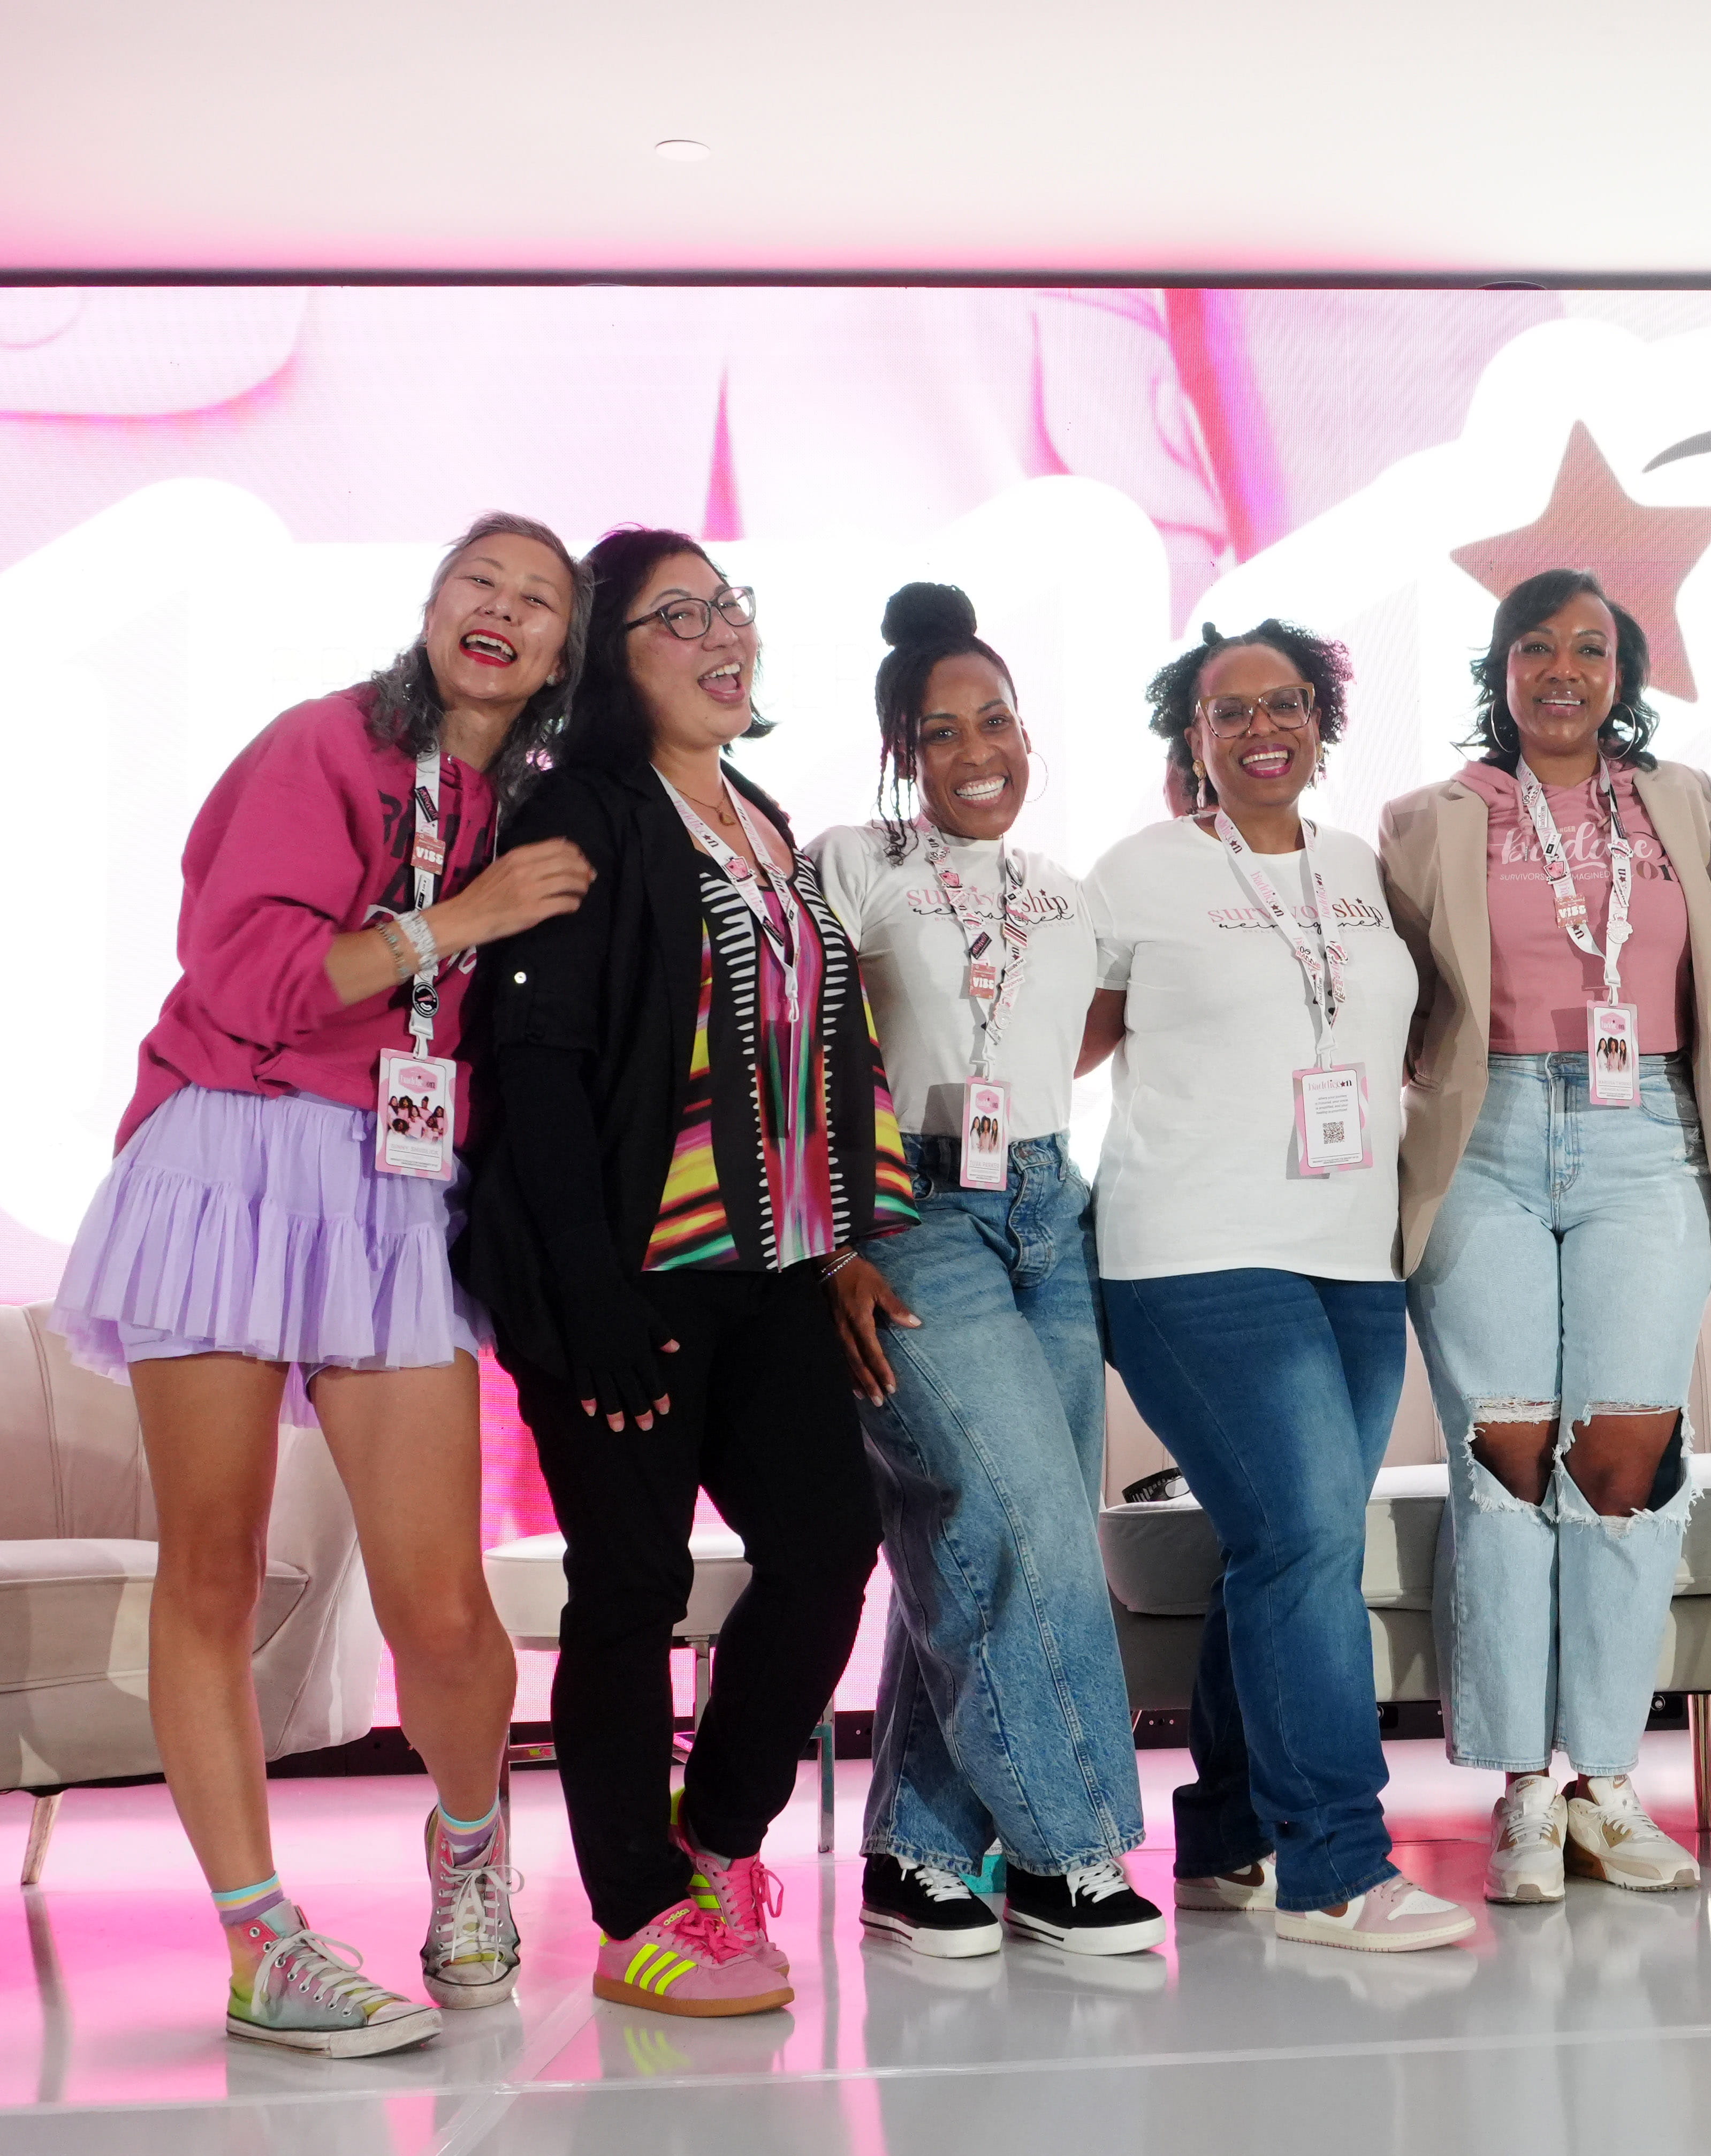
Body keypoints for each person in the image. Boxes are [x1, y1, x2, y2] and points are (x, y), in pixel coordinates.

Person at [54, 514, 590, 2056]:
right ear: (430, 607)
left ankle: (472, 1846)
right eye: (478, 581)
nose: (500, 610)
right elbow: (250, 980)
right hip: (232, 1155)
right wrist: (460, 920)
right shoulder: (323, 745)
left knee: (442, 1601)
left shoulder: (546, 805)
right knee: (210, 1572)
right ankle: (259, 1942)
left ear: (561, 652)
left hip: (395, 1181)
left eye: (537, 600)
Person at [459, 528, 921, 2016]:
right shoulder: (584, 812)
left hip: (773, 1270)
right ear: (611, 658)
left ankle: (716, 1843)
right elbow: (530, 1069)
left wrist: (846, 1235)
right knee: (633, 1586)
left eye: (732, 607)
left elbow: (815, 1051)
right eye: (679, 616)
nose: (723, 634)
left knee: (828, 1547)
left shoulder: (759, 813)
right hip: (631, 1285)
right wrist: (584, 1304)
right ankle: (635, 1911)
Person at [1084, 618, 1476, 1952]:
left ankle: (1233, 1834)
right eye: (1231, 707)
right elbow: (1060, 1046)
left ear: (1323, 721)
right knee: (1309, 1538)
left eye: (1290, 701)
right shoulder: (1137, 877)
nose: (1265, 725)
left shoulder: (1361, 869)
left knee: (1282, 1545)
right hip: (1193, 1258)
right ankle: (1336, 1864)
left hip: (1351, 1259)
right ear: (1190, 735)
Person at [807, 582, 1163, 1961]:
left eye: (999, 720)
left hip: (1046, 1212)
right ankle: (1072, 1851)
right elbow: (799, 1050)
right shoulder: (851, 863)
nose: (978, 750)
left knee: (990, 1528)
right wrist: (834, 1236)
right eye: (943, 729)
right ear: (904, 746)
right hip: (909, 1206)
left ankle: (918, 1850)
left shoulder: (1070, 900)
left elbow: (1065, 1049)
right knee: (1018, 1517)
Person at [1379, 568, 1711, 1904]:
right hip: (1489, 1137)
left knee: (1627, 1453)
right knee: (1509, 1450)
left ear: (1622, 673)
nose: (1565, 670)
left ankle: (1605, 1777)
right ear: (1502, 665)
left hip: (1645, 1130)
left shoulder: (1684, 806)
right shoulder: (1431, 817)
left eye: (1593, 648)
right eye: (1539, 647)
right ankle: (1522, 1786)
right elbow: (1399, 995)